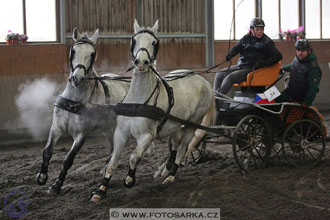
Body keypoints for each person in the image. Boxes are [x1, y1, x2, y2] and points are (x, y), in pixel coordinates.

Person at [213, 18, 282, 104]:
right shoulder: (246, 38)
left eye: (262, 29)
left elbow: (278, 56)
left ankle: (214, 99)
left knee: (230, 78)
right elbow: (236, 48)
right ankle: (218, 103)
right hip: (241, 66)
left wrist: (264, 63)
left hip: (253, 69)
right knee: (219, 74)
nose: (260, 32)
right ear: (252, 29)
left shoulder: (267, 42)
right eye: (257, 29)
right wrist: (230, 54)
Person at [275, 39, 322, 108]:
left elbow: (313, 88)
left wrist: (307, 102)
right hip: (290, 91)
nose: (300, 53)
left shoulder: (313, 68)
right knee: (272, 102)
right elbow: (293, 66)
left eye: (303, 51)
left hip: (300, 99)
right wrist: (282, 69)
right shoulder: (298, 58)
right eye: (298, 50)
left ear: (309, 51)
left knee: (281, 111)